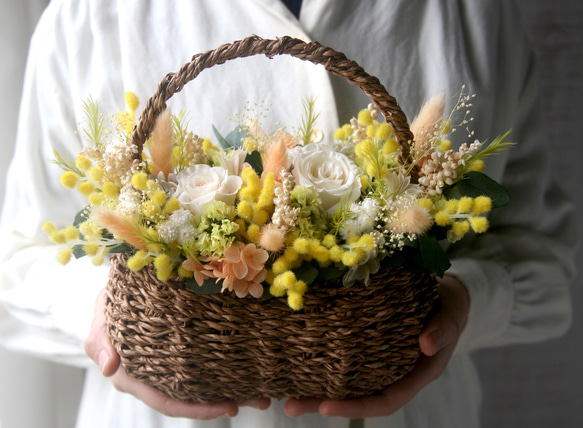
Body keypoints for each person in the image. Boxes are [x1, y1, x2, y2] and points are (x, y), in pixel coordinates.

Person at [0, 1, 577, 427]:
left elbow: (546, 258)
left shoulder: (474, 12)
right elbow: (18, 256)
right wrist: (104, 315)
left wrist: (463, 301)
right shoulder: (89, 14)